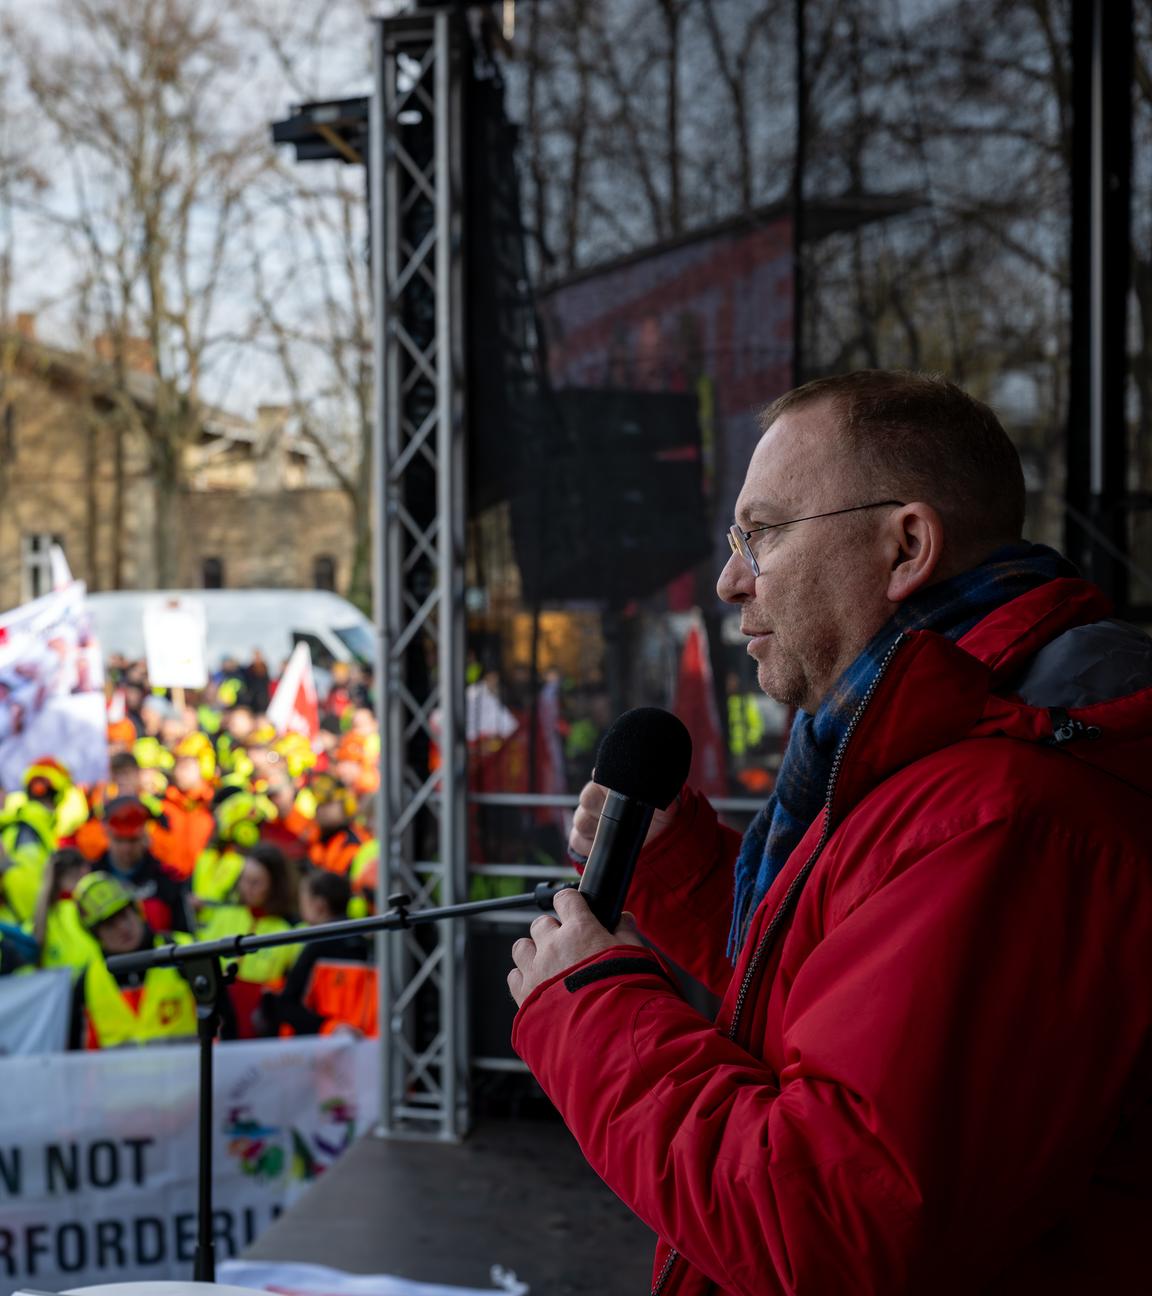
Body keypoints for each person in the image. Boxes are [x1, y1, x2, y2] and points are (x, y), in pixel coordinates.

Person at [507, 370, 1152, 1293]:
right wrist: (681, 868)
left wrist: (594, 1009)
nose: (731, 579)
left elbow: (829, 1223)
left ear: (907, 546)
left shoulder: (1008, 813)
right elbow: (840, 1008)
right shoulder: (938, 753)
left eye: (762, 534)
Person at [69, 870, 197, 1049]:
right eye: (109, 924)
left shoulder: (183, 951)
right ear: (96, 935)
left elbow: (225, 1023)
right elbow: (75, 1055)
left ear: (137, 911)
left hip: (187, 1076)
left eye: (124, 915)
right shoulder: (86, 982)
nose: (122, 928)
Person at [259, 869, 373, 1038]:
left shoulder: (318, 944)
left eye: (303, 901)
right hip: (367, 1043)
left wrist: (329, 1028)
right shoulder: (364, 940)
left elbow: (289, 1004)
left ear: (319, 905)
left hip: (321, 1046)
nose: (301, 908)